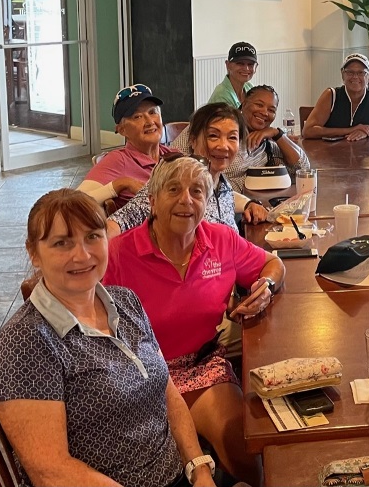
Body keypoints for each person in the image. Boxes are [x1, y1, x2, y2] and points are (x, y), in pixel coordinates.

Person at [0, 189, 215, 487]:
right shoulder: (25, 343)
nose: (82, 255)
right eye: (61, 243)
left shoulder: (125, 302)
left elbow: (168, 393)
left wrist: (200, 468)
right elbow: (50, 470)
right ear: (33, 253)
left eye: (92, 236)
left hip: (175, 475)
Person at [104, 156, 285, 487]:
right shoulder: (116, 254)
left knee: (248, 452)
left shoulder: (220, 240)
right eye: (174, 189)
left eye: (197, 191)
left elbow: (272, 265)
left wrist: (266, 288)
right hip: (141, 377)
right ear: (153, 201)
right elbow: (60, 291)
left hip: (202, 367)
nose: (186, 200)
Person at [108, 103, 269, 237]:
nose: (223, 146)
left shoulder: (222, 184)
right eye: (213, 136)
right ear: (192, 141)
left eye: (232, 137)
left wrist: (250, 203)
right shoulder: (175, 180)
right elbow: (119, 222)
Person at [170, 85, 309, 193]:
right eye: (259, 105)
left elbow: (303, 169)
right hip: (195, 198)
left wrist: (277, 134)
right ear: (244, 103)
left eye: (271, 110)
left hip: (236, 208)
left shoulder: (267, 147)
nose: (264, 112)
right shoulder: (211, 124)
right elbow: (171, 160)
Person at [77, 84, 175, 211]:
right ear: (122, 130)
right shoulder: (119, 160)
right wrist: (121, 184)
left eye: (152, 112)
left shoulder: (173, 155)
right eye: (137, 117)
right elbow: (76, 201)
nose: (150, 121)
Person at [303, 53, 369, 141]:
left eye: (361, 73)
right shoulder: (331, 95)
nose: (355, 77)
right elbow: (307, 131)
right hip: (331, 153)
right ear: (342, 75)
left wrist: (367, 133)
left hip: (368, 155)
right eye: (350, 72)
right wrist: (351, 130)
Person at [209, 42, 258, 108]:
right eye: (240, 63)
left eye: (250, 64)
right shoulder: (221, 96)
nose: (246, 68)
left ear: (256, 67)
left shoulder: (249, 87)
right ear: (228, 65)